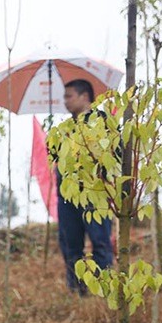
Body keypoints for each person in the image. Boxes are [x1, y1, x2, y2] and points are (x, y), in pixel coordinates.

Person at [55, 78, 114, 294]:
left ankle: (103, 289)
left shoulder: (103, 122)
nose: (65, 101)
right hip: (68, 197)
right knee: (71, 245)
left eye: (69, 96)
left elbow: (114, 155)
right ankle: (77, 291)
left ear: (84, 96)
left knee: (100, 242)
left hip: (95, 193)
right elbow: (55, 157)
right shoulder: (65, 128)